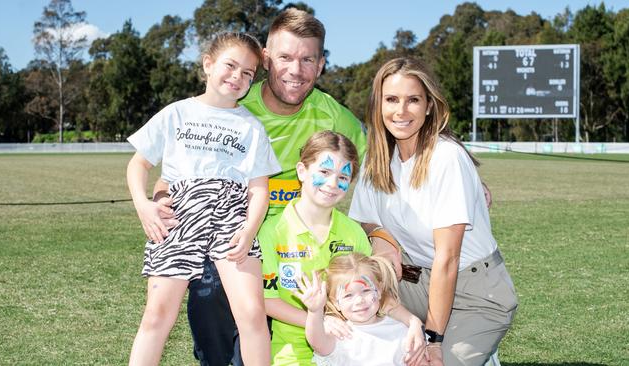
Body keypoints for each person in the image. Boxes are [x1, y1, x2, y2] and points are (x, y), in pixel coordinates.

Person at [152, 8, 367, 365]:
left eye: (307, 59)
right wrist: (161, 199)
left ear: (322, 64)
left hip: (298, 249)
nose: (295, 71)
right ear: (266, 59)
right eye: (284, 57)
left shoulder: (335, 117)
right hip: (234, 244)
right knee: (208, 295)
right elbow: (173, 174)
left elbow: (393, 146)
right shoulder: (232, 107)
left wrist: (465, 165)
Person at [349, 57, 518, 366]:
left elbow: (447, 259)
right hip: (414, 283)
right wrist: (381, 236)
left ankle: (475, 344)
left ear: (428, 106)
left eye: (413, 100)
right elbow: (363, 219)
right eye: (391, 100)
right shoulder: (377, 161)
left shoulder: (446, 158)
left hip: (474, 290)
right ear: (378, 105)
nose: (401, 111)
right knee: (354, 315)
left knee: (433, 362)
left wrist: (435, 340)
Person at [126, 32, 279, 366]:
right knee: (156, 316)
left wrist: (249, 230)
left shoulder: (252, 127)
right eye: (230, 65)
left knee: (252, 316)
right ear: (208, 64)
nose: (237, 77)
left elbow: (259, 189)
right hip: (179, 216)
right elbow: (138, 164)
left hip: (231, 217)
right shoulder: (176, 113)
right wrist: (144, 206)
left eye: (248, 74)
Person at [258, 131, 425, 366]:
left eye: (343, 177)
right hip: (293, 355)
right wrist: (319, 319)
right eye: (324, 172)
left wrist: (413, 322)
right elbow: (266, 301)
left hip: (349, 353)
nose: (332, 184)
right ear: (302, 171)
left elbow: (375, 293)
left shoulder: (353, 232)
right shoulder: (272, 232)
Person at [297, 253, 425, 366]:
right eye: (348, 295)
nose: (359, 301)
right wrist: (315, 311)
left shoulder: (402, 331)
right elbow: (317, 342)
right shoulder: (338, 334)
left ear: (379, 290)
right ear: (335, 303)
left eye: (366, 290)